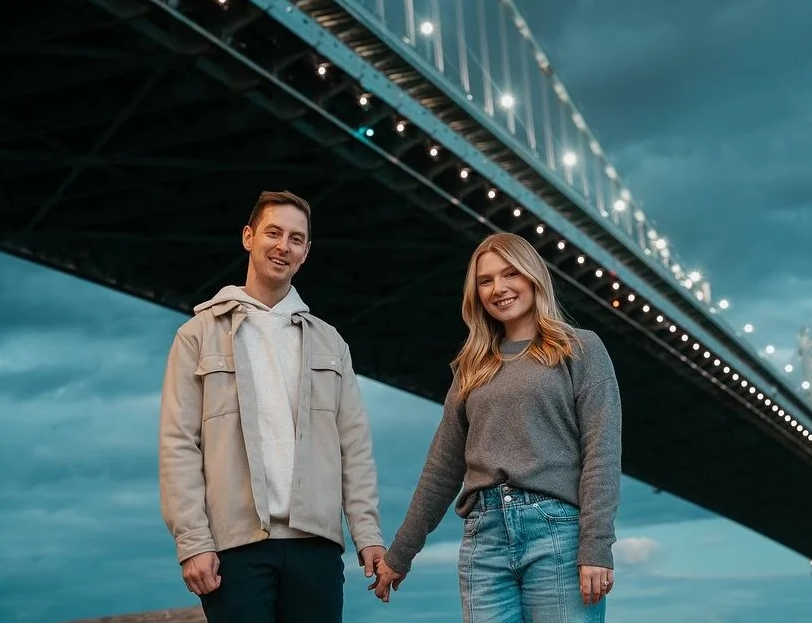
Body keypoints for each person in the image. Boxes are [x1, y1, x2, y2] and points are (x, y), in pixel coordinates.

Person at [158, 190, 385, 623]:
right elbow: (179, 445)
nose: (283, 246)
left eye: (296, 239)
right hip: (235, 547)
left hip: (315, 546)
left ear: (306, 252)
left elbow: (353, 447)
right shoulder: (197, 335)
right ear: (248, 237)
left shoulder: (331, 342)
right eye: (273, 233)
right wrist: (193, 543)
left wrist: (368, 533)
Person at [371, 232, 623, 622]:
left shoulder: (580, 349)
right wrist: (400, 553)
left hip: (557, 535)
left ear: (533, 276)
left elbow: (602, 453)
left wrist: (596, 547)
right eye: (485, 281)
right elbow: (442, 468)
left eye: (510, 274)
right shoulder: (471, 367)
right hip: (483, 541)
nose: (498, 289)